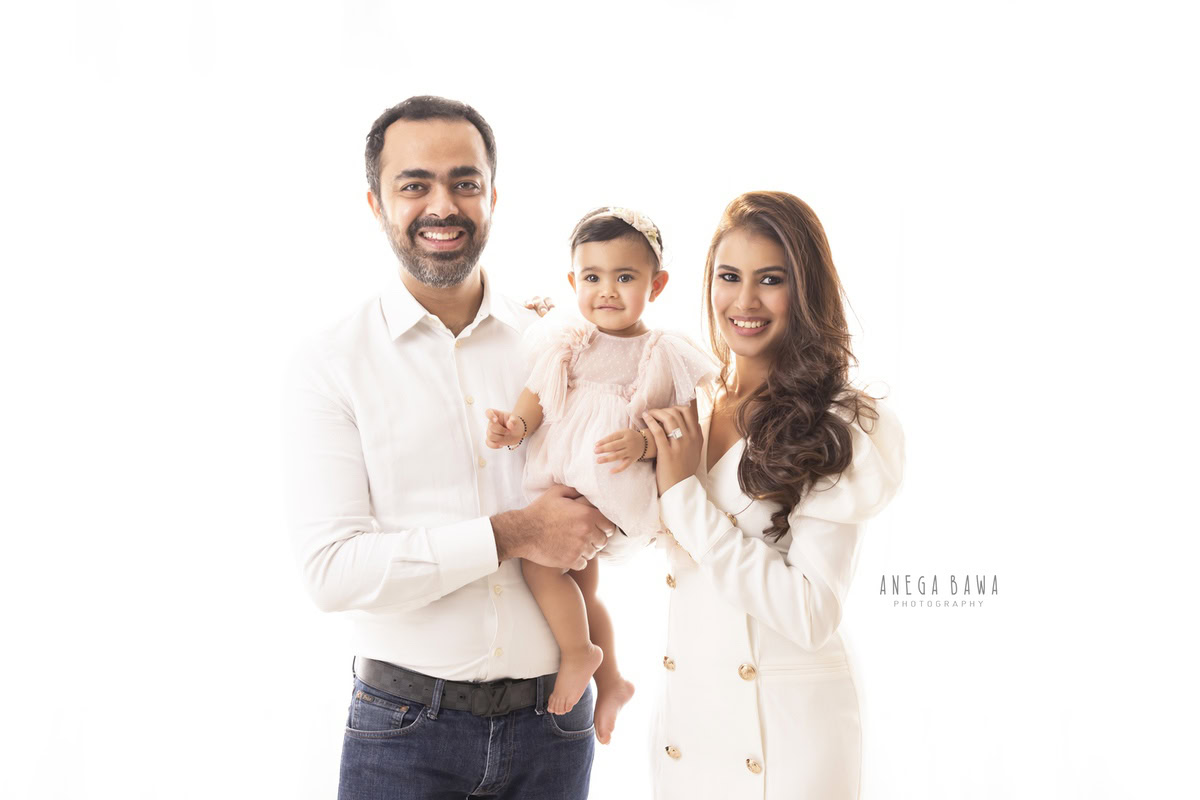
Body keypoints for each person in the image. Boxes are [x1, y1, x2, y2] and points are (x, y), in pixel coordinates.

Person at [283, 95, 628, 800]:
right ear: (376, 204)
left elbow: (616, 477)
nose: (443, 204)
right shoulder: (331, 362)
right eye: (415, 184)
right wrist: (516, 533)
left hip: (554, 727)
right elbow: (333, 572)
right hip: (403, 736)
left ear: (493, 197)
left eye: (464, 182)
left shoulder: (557, 341)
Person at [641, 191, 905, 798]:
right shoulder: (695, 407)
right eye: (729, 277)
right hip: (688, 726)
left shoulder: (839, 422)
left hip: (787, 743)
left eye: (771, 280)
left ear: (805, 290)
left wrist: (685, 497)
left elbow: (811, 612)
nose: (745, 301)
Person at [484, 207, 715, 743]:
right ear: (573, 282)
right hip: (569, 479)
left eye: (624, 277)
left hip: (604, 483)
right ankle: (610, 680)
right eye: (592, 277)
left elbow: (678, 427)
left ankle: (577, 652)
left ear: (655, 286)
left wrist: (640, 443)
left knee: (540, 569)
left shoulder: (661, 353)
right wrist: (514, 428)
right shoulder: (569, 341)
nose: (606, 291)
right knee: (584, 590)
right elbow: (538, 399)